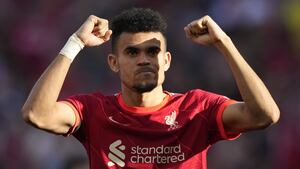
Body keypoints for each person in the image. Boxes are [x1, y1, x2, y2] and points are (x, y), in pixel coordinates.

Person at [22, 8, 280, 169]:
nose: (144, 59)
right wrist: (75, 42)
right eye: (132, 52)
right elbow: (37, 114)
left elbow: (264, 115)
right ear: (113, 63)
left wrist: (225, 43)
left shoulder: (196, 109)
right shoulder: (94, 111)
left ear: (166, 61)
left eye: (153, 51)